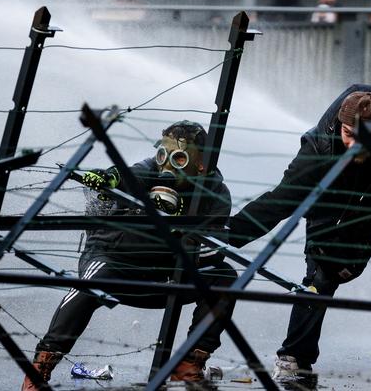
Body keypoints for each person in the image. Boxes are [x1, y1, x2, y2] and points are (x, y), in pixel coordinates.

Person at [227, 85, 371, 381]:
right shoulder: (317, 149)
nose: (354, 146)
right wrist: (228, 235)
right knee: (322, 275)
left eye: (365, 138)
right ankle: (295, 358)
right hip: (340, 210)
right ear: (339, 126)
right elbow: (279, 202)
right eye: (348, 135)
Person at [22, 121, 235, 390]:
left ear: (201, 164)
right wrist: (109, 178)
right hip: (116, 260)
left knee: (225, 276)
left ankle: (189, 363)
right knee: (91, 283)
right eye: (163, 155)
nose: (166, 165)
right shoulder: (147, 170)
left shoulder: (216, 193)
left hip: (168, 275)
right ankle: (40, 367)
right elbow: (127, 176)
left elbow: (216, 249)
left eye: (179, 158)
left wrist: (183, 227)